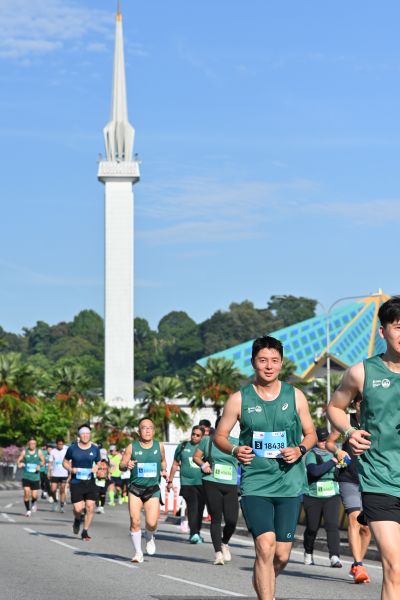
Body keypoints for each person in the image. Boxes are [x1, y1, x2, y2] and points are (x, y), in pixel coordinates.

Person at [214, 335, 317, 600]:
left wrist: (300, 449)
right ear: (253, 363)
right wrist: (235, 450)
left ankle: (262, 578)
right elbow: (220, 436)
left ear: (281, 363)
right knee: (265, 546)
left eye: (274, 360)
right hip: (256, 483)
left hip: (289, 483)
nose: (269, 366)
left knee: (281, 555)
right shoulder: (239, 399)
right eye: (263, 360)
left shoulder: (295, 396)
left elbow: (311, 435)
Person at [327, 296, 400, 600]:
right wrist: (350, 431)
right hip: (380, 479)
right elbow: (334, 407)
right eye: (398, 327)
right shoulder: (362, 372)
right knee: (394, 567)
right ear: (383, 331)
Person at [326, 394, 371, 583]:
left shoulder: (374, 422)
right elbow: (329, 442)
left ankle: (357, 564)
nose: (362, 405)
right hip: (349, 478)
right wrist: (338, 450)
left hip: (370, 479)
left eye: (365, 402)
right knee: (354, 518)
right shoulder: (346, 421)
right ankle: (359, 564)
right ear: (355, 404)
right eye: (359, 402)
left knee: (367, 528)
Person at [120, 417, 167, 563]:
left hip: (152, 490)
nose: (147, 430)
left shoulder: (159, 446)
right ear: (138, 432)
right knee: (135, 521)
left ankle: (150, 536)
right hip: (135, 489)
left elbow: (163, 461)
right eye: (144, 428)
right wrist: (127, 465)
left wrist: (164, 470)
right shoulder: (132, 447)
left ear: (154, 431)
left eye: (150, 428)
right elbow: (121, 465)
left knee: (152, 523)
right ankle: (138, 553)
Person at [194, 417, 239, 564]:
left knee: (232, 520)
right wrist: (203, 465)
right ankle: (218, 553)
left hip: (230, 483)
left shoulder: (236, 442)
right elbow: (196, 457)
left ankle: (224, 542)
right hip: (211, 481)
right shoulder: (208, 440)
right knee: (216, 518)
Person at [303, 426, 342, 568]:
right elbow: (314, 471)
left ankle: (334, 556)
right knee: (312, 528)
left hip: (332, 495)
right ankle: (308, 552)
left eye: (326, 440)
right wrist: (332, 462)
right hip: (313, 496)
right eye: (321, 440)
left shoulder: (336, 453)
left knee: (332, 525)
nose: (324, 443)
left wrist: (342, 464)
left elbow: (343, 470)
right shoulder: (311, 455)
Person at [63, 424, 101, 541]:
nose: (85, 436)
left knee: (90, 507)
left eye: (87, 434)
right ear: (79, 435)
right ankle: (77, 519)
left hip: (90, 481)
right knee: (78, 509)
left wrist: (96, 468)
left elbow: (99, 462)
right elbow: (64, 462)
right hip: (76, 482)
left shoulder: (95, 449)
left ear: (90, 435)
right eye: (83, 434)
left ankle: (85, 531)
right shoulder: (72, 448)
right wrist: (71, 469)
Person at [167, 425, 205, 543]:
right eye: (193, 434)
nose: (194, 437)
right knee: (192, 506)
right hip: (187, 483)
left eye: (198, 435)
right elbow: (175, 464)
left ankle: (197, 532)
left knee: (199, 509)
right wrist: (170, 481)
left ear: (202, 437)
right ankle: (193, 533)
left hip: (202, 483)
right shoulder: (183, 446)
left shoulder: (205, 447)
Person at [17, 437, 45, 516]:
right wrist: (20, 464)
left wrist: (39, 465)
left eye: (34, 444)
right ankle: (28, 510)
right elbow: (18, 461)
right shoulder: (24, 452)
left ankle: (34, 502)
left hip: (35, 477)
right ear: (28, 444)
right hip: (26, 476)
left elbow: (43, 461)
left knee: (34, 495)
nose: (32, 445)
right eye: (31, 443)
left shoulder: (38, 451)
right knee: (26, 493)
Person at [48, 436, 69, 513]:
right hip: (55, 474)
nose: (60, 446)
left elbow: (70, 461)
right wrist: (48, 472)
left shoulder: (66, 450)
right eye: (59, 444)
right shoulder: (53, 451)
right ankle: (55, 501)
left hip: (64, 473)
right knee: (52, 489)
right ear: (56, 444)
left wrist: (70, 472)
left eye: (62, 444)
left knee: (62, 490)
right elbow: (50, 462)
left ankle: (62, 505)